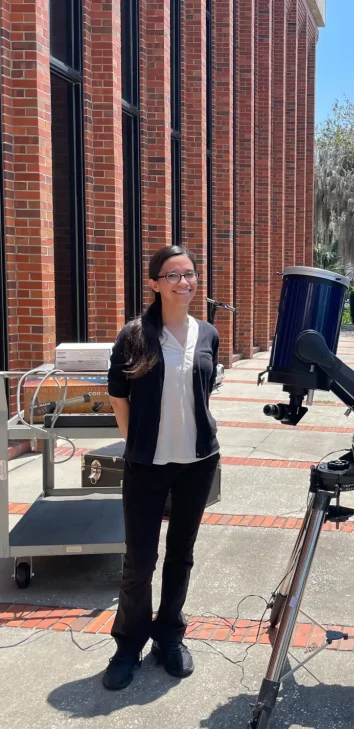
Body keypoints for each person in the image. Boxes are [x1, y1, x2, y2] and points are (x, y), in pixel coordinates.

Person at [103, 245, 221, 690]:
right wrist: (139, 441)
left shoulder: (207, 333)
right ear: (154, 283)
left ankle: (168, 637)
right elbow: (118, 396)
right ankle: (128, 644)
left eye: (189, 274)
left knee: (181, 554)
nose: (183, 282)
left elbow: (204, 393)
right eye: (172, 275)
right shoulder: (134, 335)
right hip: (147, 464)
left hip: (198, 461)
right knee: (139, 559)